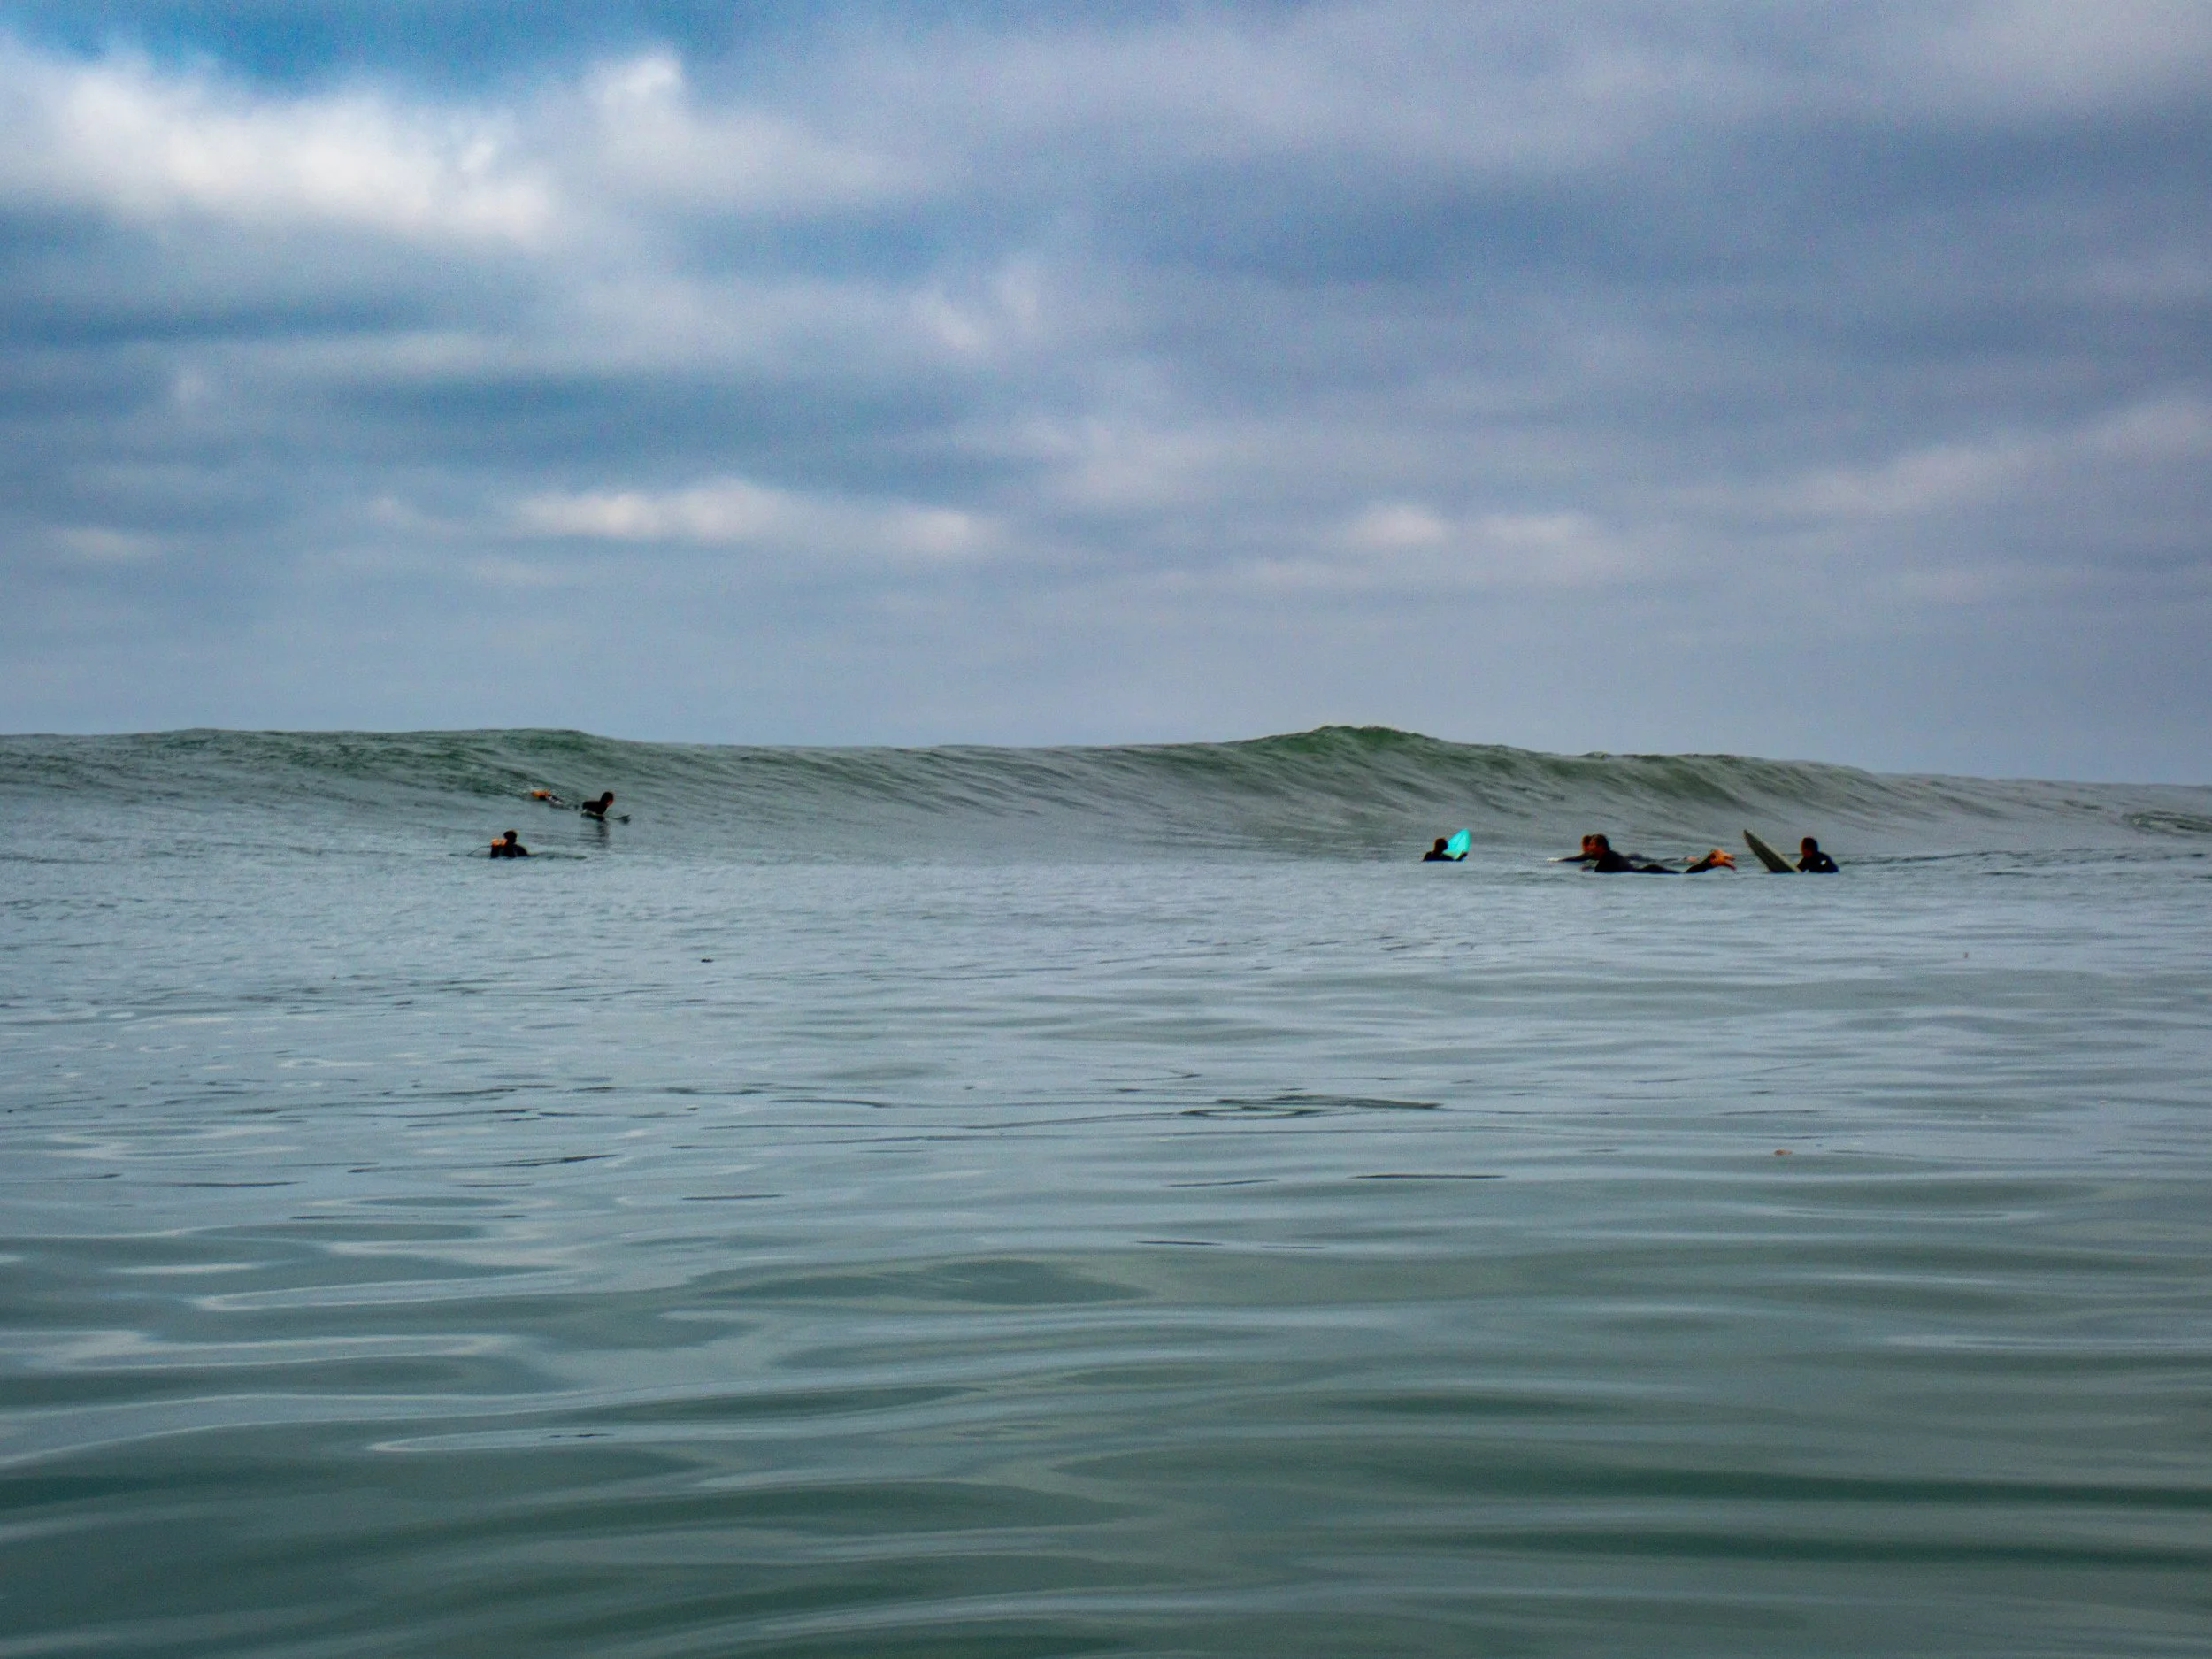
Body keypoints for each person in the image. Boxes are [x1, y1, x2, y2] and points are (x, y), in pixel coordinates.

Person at [1585, 833, 1674, 873]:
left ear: (1600, 846)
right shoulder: (1610, 855)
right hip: (1648, 869)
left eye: (1592, 845)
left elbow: (1600, 870)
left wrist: (1588, 869)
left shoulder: (1607, 857)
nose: (1589, 847)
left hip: (1649, 870)